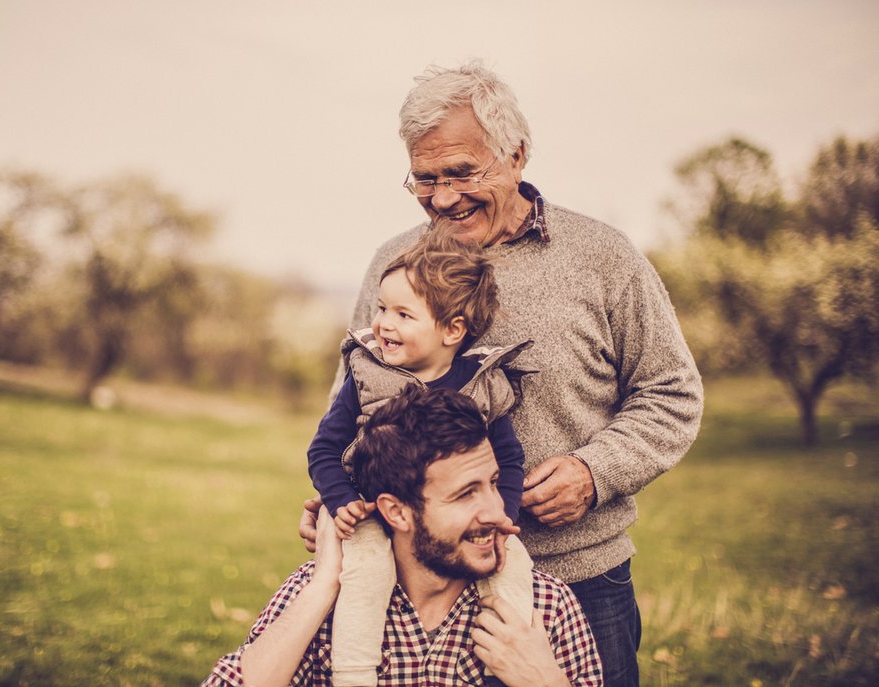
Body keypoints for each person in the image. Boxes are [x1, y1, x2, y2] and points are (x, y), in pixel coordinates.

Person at [300, 61, 704, 687]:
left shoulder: (603, 257)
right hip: (415, 590)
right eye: (424, 179)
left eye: (461, 172)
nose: (442, 197)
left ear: (516, 155)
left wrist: (595, 473)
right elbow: (355, 405)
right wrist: (340, 494)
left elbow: (671, 393)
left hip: (575, 577)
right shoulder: (394, 263)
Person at [201, 386, 603, 687]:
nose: (498, 513)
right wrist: (324, 583)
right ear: (396, 511)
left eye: (493, 483)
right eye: (465, 494)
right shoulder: (322, 596)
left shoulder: (546, 608)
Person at [306, 229, 536, 687]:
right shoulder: (367, 375)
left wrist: (503, 516)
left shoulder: (481, 383)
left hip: (458, 525)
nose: (383, 324)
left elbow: (508, 460)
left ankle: (507, 665)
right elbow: (324, 448)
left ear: (453, 330)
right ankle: (353, 674)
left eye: (403, 314)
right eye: (381, 309)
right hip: (373, 513)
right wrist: (340, 499)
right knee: (366, 573)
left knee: (515, 570)